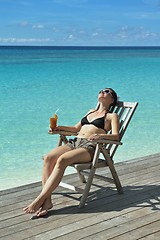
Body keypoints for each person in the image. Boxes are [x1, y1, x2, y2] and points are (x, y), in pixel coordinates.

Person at [23, 88, 120, 217]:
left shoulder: (111, 116)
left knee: (62, 160)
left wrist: (100, 137)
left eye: (107, 91)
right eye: (101, 90)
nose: (102, 92)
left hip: (90, 147)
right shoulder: (91, 111)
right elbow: (75, 129)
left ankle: (39, 199)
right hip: (75, 142)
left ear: (112, 99)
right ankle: (47, 201)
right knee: (48, 158)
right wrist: (58, 128)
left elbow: (116, 136)